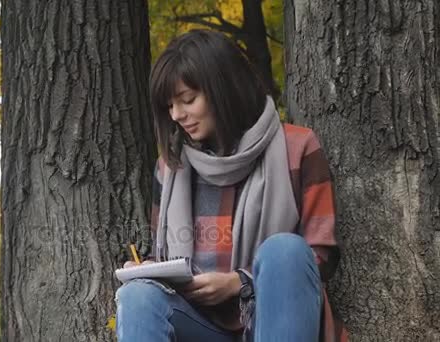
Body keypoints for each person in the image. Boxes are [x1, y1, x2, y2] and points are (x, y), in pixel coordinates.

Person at [114, 30, 347, 342]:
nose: (177, 115)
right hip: (199, 323)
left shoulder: (298, 147)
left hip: (274, 320)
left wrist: (239, 283)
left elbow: (320, 257)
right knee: (137, 296)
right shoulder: (170, 167)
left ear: (223, 89)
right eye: (170, 106)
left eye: (187, 100)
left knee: (286, 250)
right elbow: (167, 257)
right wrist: (145, 271)